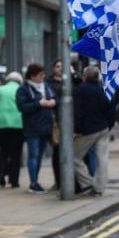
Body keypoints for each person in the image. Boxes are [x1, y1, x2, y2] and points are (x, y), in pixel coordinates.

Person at [73, 66, 115, 195]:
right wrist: (109, 125)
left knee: (74, 157)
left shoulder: (80, 90)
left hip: (88, 130)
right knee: (102, 159)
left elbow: (77, 111)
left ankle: (86, 184)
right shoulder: (102, 90)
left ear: (85, 77)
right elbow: (111, 110)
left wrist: (77, 129)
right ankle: (99, 188)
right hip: (103, 128)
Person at [16, 63, 56, 193]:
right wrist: (39, 104)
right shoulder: (23, 89)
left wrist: (54, 102)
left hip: (46, 126)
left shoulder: (46, 86)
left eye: (43, 74)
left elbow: (55, 97)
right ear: (32, 76)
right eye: (40, 75)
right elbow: (22, 107)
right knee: (33, 155)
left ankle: (36, 180)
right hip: (32, 127)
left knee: (39, 156)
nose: (43, 77)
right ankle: (33, 182)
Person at [0, 71, 25, 188]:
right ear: (19, 81)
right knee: (16, 154)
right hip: (18, 125)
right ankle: (14, 181)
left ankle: (2, 174)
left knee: (3, 150)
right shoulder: (21, 90)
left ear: (7, 79)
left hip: (1, 125)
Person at [47, 59, 65, 191]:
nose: (59, 69)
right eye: (57, 66)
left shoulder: (71, 81)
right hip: (56, 122)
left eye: (62, 67)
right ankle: (58, 181)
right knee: (57, 152)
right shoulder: (48, 83)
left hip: (70, 122)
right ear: (53, 68)